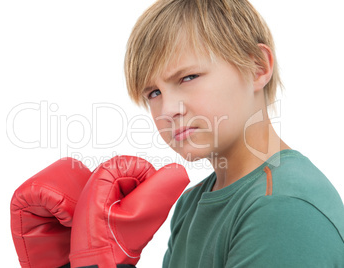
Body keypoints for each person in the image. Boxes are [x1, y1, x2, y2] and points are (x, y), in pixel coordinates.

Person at [123, 0, 344, 267]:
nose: (168, 109)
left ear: (257, 67)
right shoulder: (190, 205)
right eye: (154, 93)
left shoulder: (280, 206)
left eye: (189, 77)